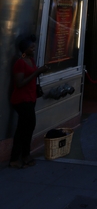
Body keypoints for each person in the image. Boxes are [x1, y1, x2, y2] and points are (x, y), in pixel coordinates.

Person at [9, 36, 48, 169]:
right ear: (25, 49)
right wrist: (37, 71)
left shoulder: (31, 60)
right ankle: (16, 158)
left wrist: (40, 71)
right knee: (24, 128)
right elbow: (19, 83)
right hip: (21, 100)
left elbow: (32, 76)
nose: (34, 48)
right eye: (31, 47)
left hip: (30, 98)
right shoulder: (20, 62)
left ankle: (25, 155)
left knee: (28, 127)